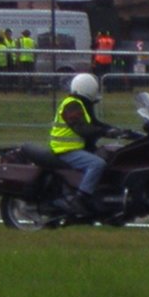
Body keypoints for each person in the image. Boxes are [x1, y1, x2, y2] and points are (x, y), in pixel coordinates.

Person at [49, 73, 119, 215]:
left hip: (74, 149)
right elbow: (82, 129)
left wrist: (117, 130)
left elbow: (94, 123)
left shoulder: (81, 104)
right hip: (66, 150)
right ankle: (80, 199)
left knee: (109, 155)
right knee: (97, 164)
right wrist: (106, 132)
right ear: (89, 89)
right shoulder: (72, 105)